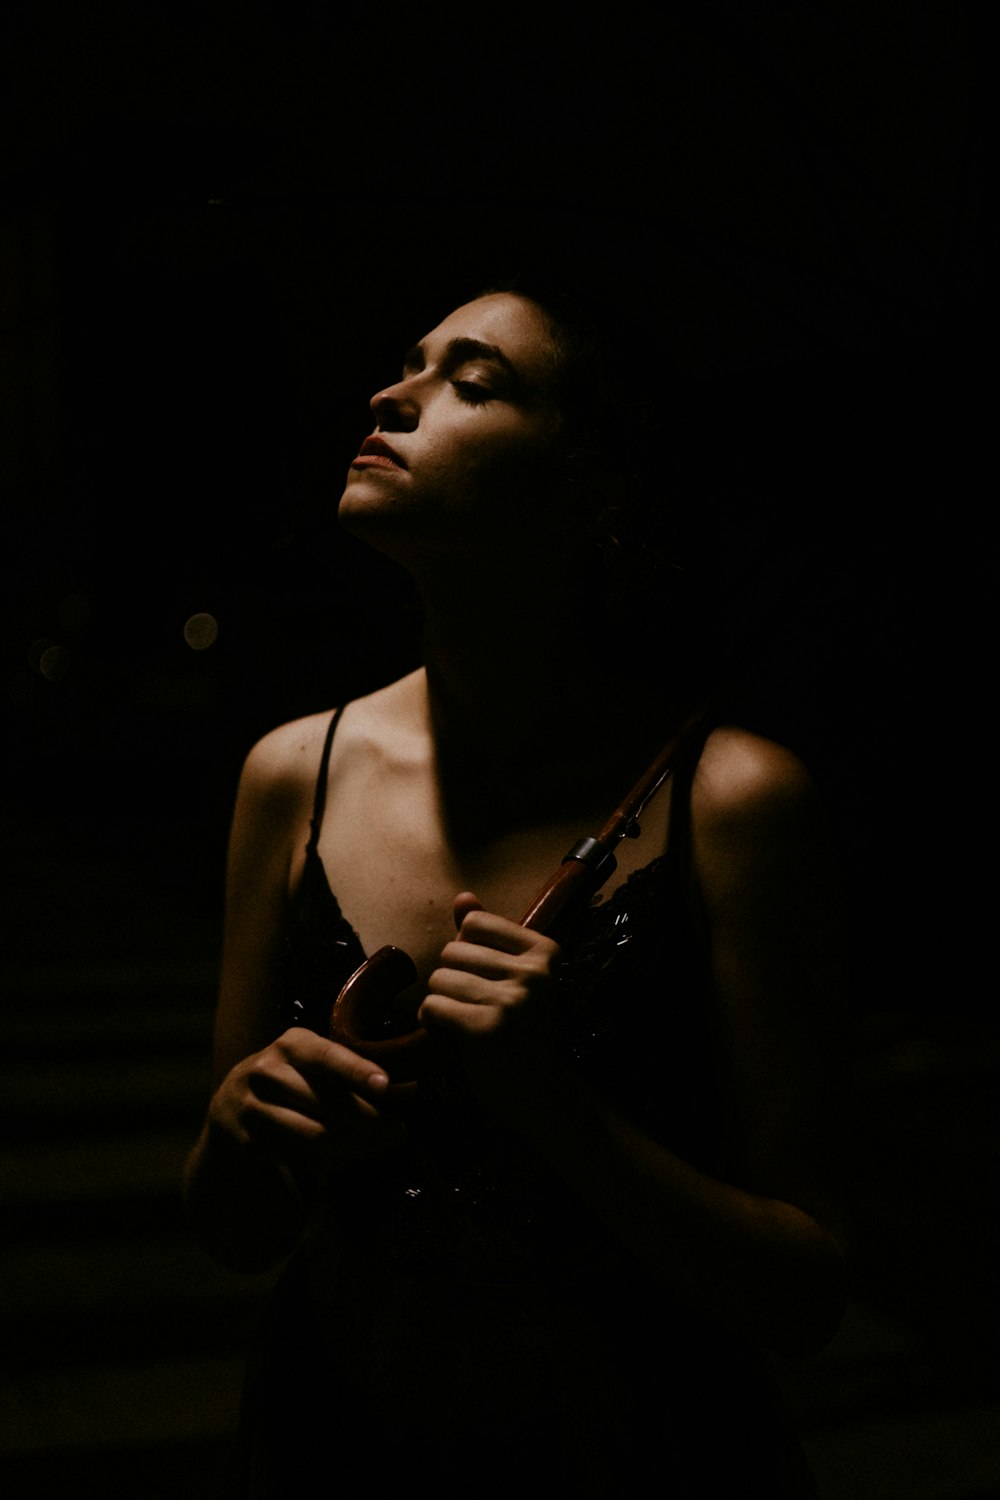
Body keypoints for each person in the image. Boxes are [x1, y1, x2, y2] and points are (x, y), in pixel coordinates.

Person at [183, 281, 851, 1496]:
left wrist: (555, 1106)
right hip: (336, 1439)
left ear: (591, 485)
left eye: (471, 382)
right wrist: (238, 1129)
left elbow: (803, 1294)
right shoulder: (295, 772)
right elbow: (235, 1231)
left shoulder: (731, 801)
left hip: (641, 1453)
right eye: (408, 364)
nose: (392, 396)